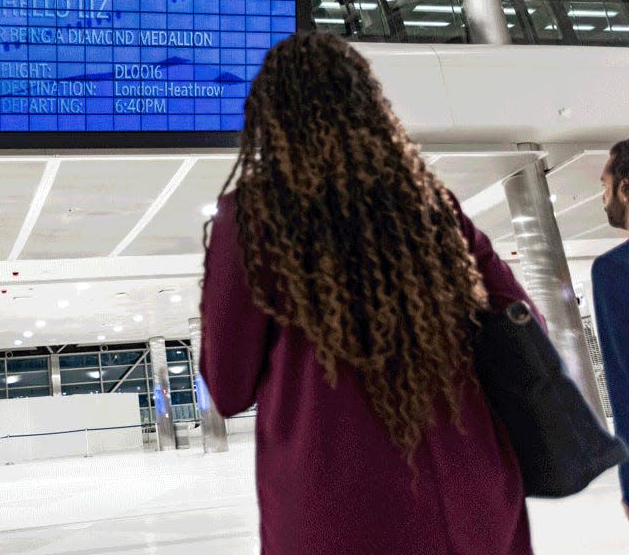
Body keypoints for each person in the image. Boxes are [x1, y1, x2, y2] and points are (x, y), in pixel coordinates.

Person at [199, 31, 542, 555]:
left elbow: (228, 388)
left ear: (271, 117)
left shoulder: (250, 216)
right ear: (368, 106)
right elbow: (524, 324)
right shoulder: (430, 204)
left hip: (337, 511)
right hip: (473, 497)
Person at [592, 138, 629, 520]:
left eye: (604, 186)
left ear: (625, 187)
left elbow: (624, 385)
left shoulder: (614, 270)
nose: (603, 199)